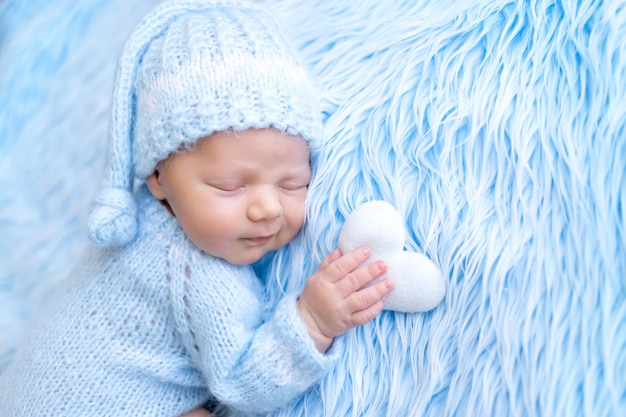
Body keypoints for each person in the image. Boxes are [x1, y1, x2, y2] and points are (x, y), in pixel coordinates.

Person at [0, 1, 394, 416]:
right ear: (158, 178)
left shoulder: (146, 221)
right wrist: (312, 321)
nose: (266, 208)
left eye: (292, 183)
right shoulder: (195, 270)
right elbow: (245, 385)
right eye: (229, 185)